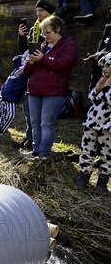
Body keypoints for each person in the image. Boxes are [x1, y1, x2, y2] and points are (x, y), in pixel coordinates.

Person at [24, 15, 77, 160]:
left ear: (57, 29)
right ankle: (36, 151)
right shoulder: (42, 46)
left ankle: (44, 153)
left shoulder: (68, 45)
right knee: (35, 123)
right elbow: (27, 72)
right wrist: (30, 62)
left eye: (47, 32)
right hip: (35, 89)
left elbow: (63, 64)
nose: (45, 36)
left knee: (46, 123)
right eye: (43, 33)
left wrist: (43, 58)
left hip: (54, 92)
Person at [14, 0, 57, 151]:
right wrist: (21, 37)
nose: (38, 13)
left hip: (45, 74)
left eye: (41, 10)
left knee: (41, 115)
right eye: (37, 10)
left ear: (50, 11)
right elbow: (25, 49)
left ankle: (38, 145)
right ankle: (30, 138)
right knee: (29, 109)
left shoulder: (54, 28)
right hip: (32, 71)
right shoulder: (34, 28)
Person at [74, 52, 111, 194]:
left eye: (108, 66)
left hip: (107, 126)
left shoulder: (106, 84)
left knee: (107, 153)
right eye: (104, 65)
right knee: (87, 150)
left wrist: (104, 90)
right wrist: (98, 89)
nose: (105, 69)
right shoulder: (102, 80)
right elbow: (92, 98)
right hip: (92, 122)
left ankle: (102, 181)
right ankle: (83, 176)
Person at [0, 54, 29, 143]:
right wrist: (24, 56)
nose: (24, 61)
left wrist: (27, 63)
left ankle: (0, 129)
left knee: (10, 115)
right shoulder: (18, 65)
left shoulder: (27, 72)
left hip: (12, 99)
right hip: (3, 94)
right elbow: (15, 59)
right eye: (24, 60)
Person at [83, 22, 111, 91]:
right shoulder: (109, 28)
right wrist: (95, 61)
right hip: (98, 86)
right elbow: (103, 52)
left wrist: (101, 56)